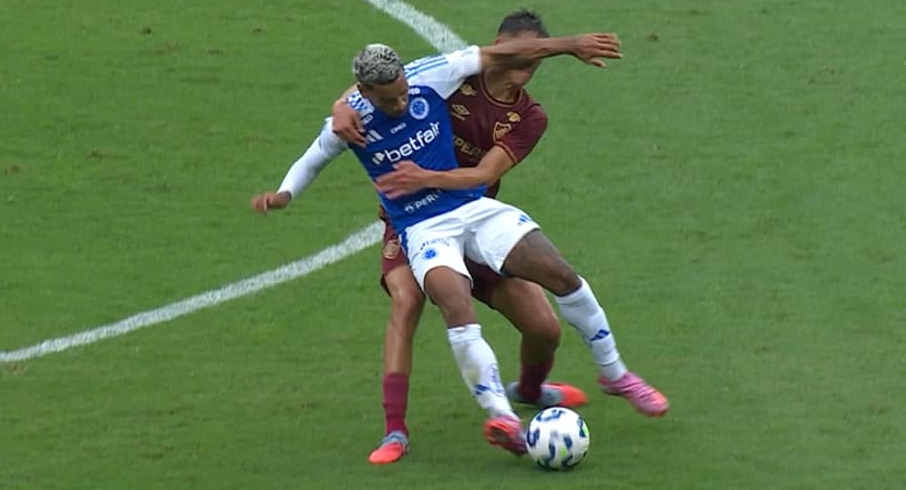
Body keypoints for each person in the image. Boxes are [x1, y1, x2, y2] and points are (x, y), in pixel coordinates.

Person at [252, 35, 668, 458]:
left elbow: (497, 54)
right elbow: (311, 160)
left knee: (561, 276)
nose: (400, 104)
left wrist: (568, 45)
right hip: (421, 229)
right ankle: (500, 418)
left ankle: (614, 374)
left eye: (402, 94)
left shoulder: (431, 77)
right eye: (389, 100)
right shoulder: (349, 124)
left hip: (473, 207)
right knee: (448, 303)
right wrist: (284, 195)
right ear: (365, 93)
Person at [329, 11, 584, 465]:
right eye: (519, 54)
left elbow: (486, 174)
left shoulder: (527, 116)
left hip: (476, 223)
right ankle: (395, 430)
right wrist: (341, 105)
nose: (526, 66)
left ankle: (527, 390)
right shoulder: (453, 79)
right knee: (406, 300)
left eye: (535, 61)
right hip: (417, 223)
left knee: (545, 328)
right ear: (500, 46)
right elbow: (379, 84)